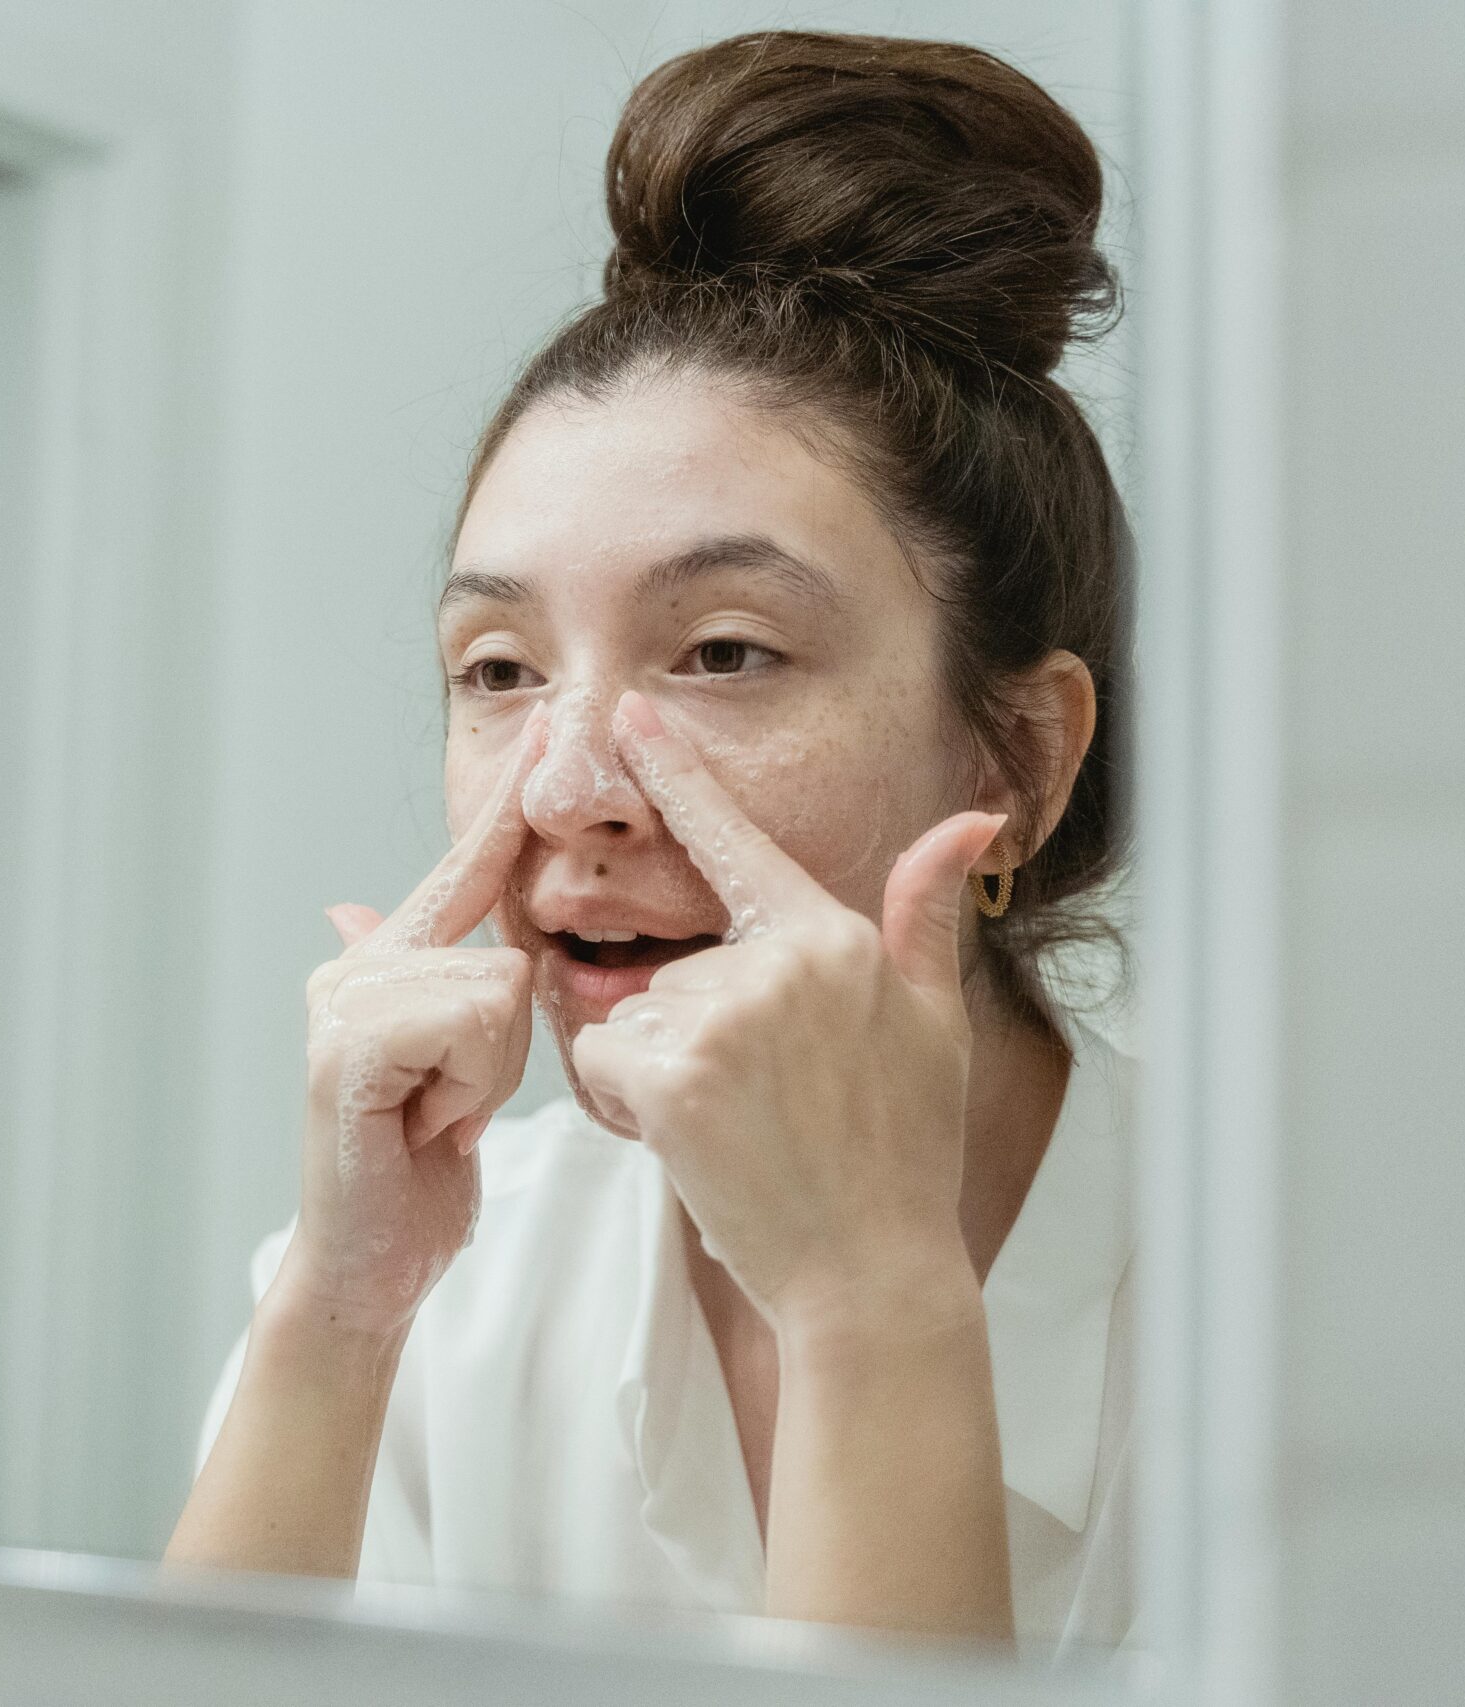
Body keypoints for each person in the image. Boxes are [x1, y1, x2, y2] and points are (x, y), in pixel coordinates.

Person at [167, 29, 1134, 1650]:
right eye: (498, 670)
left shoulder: (1317, 1342)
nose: (567, 788)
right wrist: (336, 1315)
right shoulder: (445, 1299)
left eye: (725, 651)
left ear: (1019, 762)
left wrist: (872, 1308)